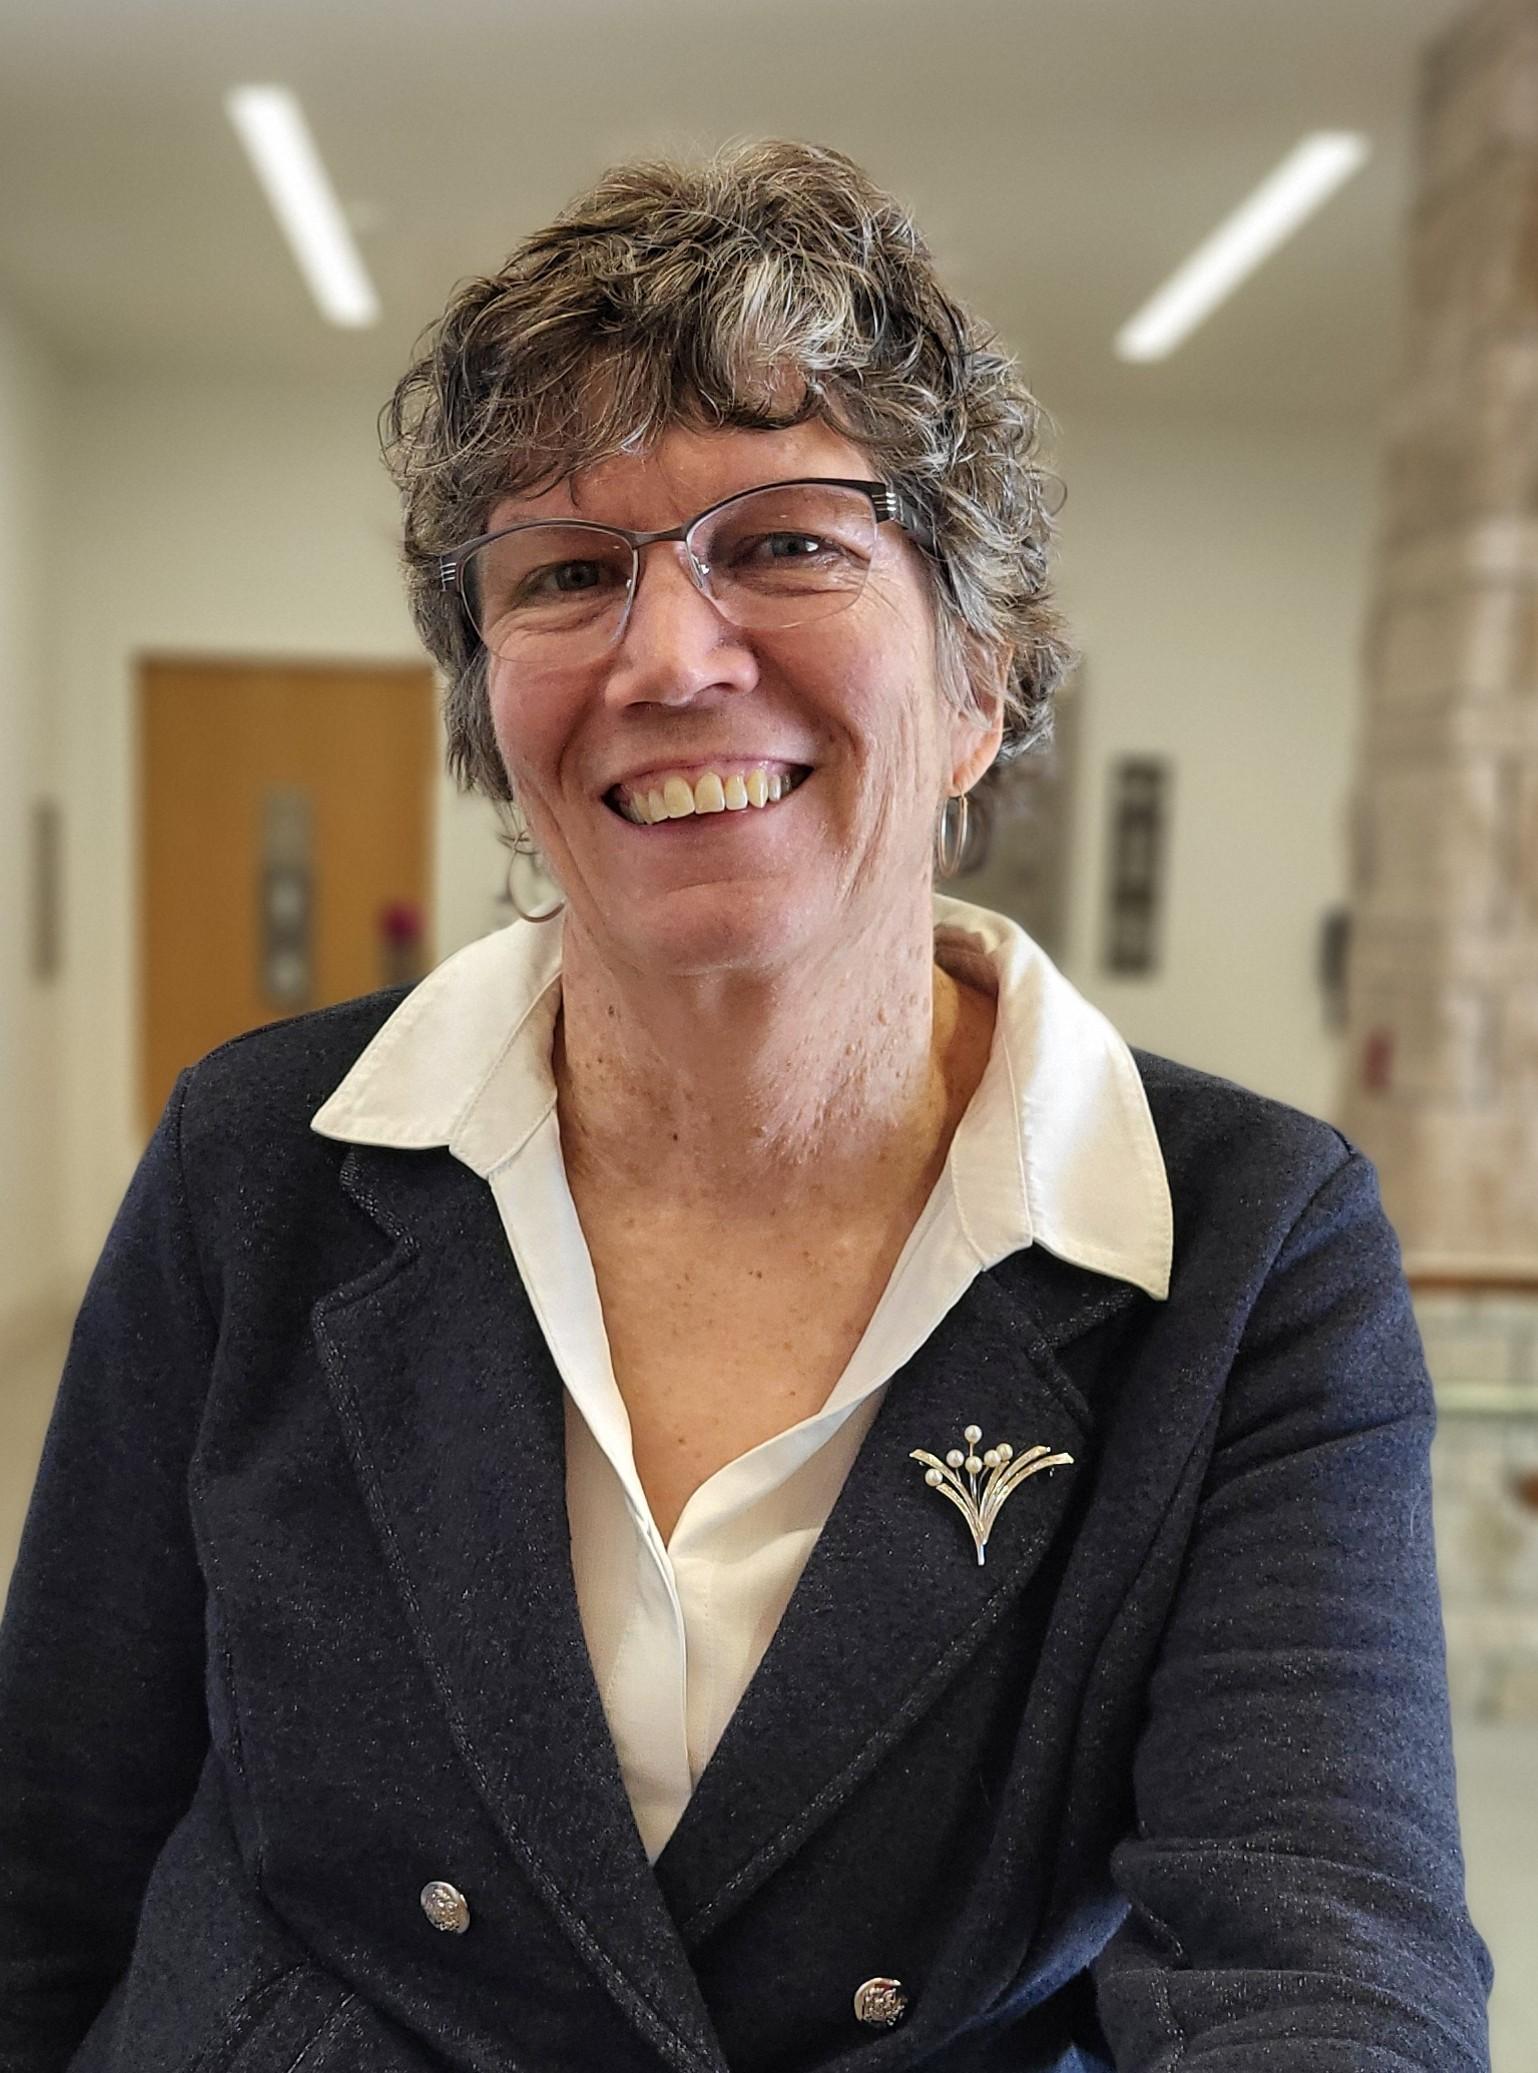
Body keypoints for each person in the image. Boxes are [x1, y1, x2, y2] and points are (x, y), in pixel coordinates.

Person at [0, 140, 1493, 2073]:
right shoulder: (260, 1160)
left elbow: (1323, 1959)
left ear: (980, 678)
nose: (671, 655)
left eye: (786, 542)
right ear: (490, 719)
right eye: (564, 574)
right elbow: (47, 1865)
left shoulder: (1240, 1252)